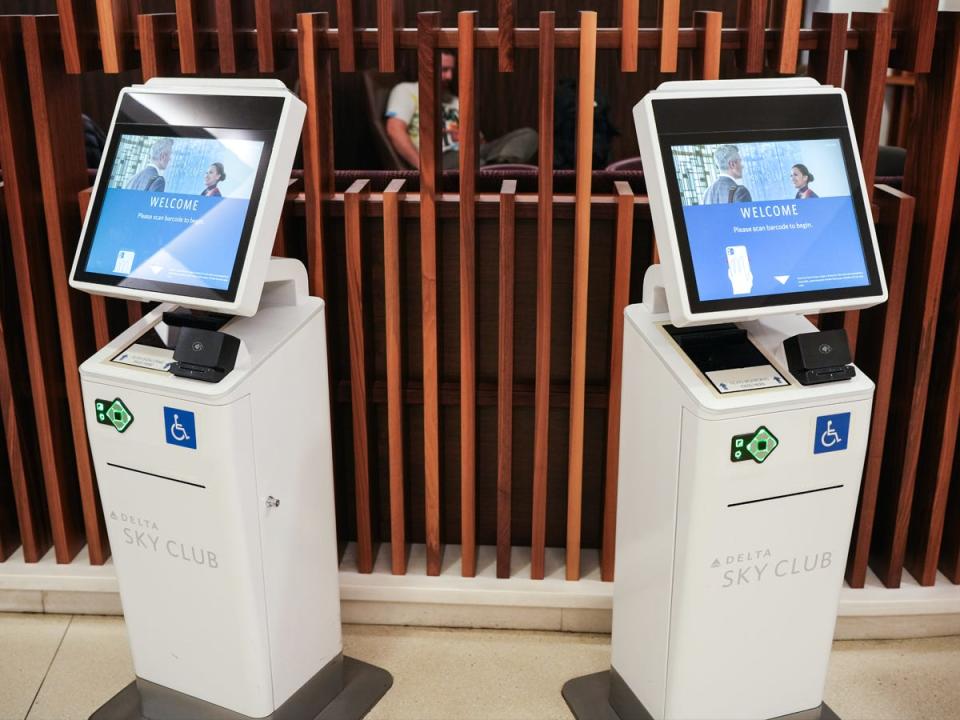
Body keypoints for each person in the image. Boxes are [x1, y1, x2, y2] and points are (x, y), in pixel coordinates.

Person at [384, 51, 538, 170]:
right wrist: (423, 168)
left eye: (451, 70)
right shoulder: (407, 90)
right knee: (471, 160)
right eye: (444, 70)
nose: (449, 76)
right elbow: (394, 130)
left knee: (528, 135)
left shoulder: (455, 100)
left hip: (477, 151)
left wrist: (470, 137)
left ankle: (498, 166)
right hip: (442, 157)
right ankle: (493, 170)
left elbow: (482, 141)